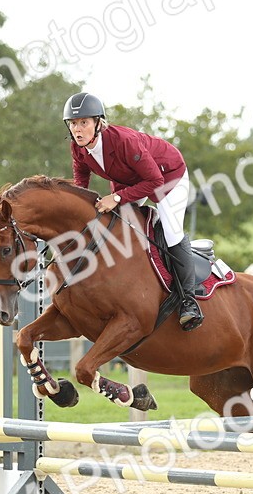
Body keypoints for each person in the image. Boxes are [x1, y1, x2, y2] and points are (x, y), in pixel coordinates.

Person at [64, 91, 203, 331]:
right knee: (113, 222)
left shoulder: (123, 141)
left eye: (84, 122)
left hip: (168, 175)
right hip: (128, 180)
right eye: (73, 123)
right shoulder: (79, 149)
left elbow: (155, 181)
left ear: (98, 123)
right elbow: (81, 183)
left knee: (171, 231)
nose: (78, 129)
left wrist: (116, 197)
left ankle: (188, 302)